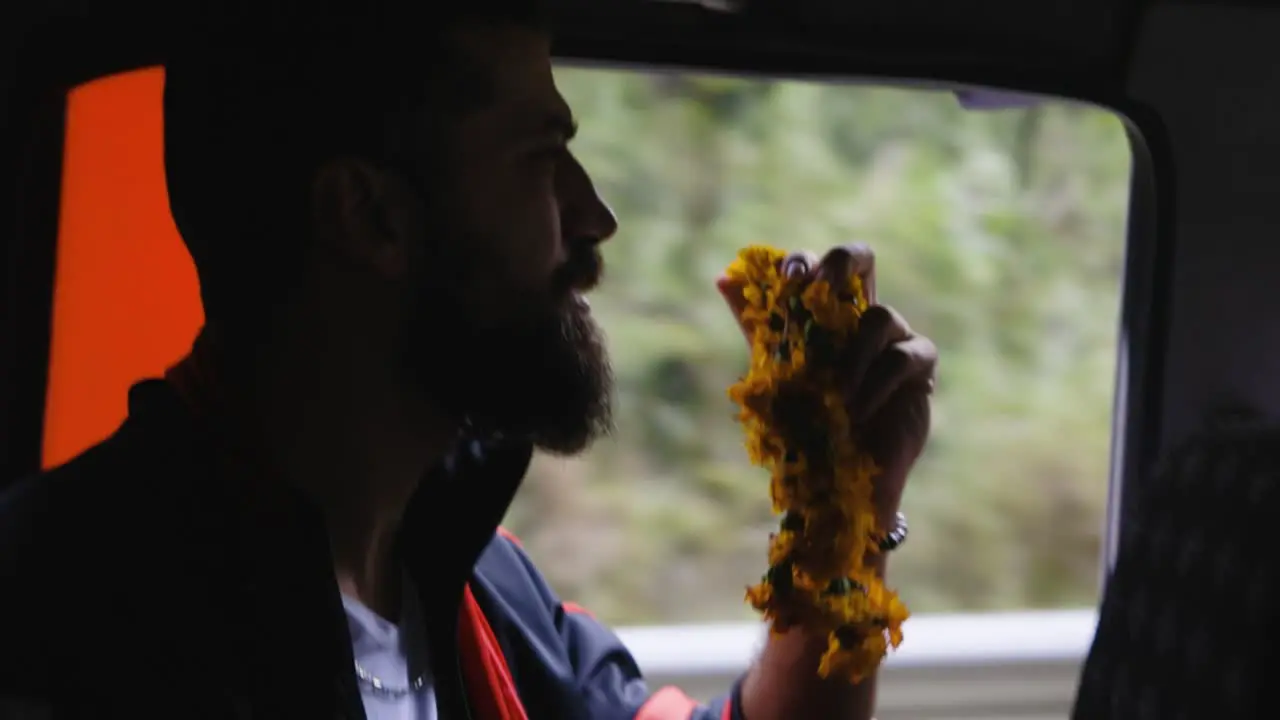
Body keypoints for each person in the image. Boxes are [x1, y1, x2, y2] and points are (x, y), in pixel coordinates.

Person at [0, 4, 937, 719]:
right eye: (542, 156)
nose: (595, 215)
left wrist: (840, 525)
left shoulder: (469, 576)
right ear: (371, 218)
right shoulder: (62, 610)